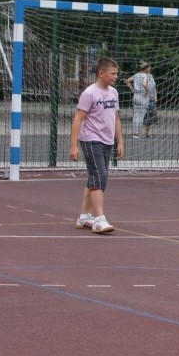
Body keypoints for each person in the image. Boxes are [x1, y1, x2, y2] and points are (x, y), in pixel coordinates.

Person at [70, 57, 124, 234]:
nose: (116, 76)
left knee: (95, 177)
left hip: (107, 140)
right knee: (99, 176)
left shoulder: (114, 93)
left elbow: (115, 118)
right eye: (113, 73)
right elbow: (78, 118)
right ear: (101, 73)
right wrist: (74, 145)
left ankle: (84, 216)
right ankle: (99, 218)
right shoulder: (89, 93)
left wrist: (120, 141)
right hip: (91, 139)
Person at [125, 61, 157, 138]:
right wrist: (146, 91)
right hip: (142, 96)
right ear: (145, 69)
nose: (150, 69)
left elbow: (127, 81)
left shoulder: (136, 75)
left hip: (135, 96)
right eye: (149, 68)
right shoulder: (145, 76)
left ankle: (134, 132)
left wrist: (133, 90)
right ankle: (137, 133)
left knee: (136, 115)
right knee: (140, 115)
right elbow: (144, 84)